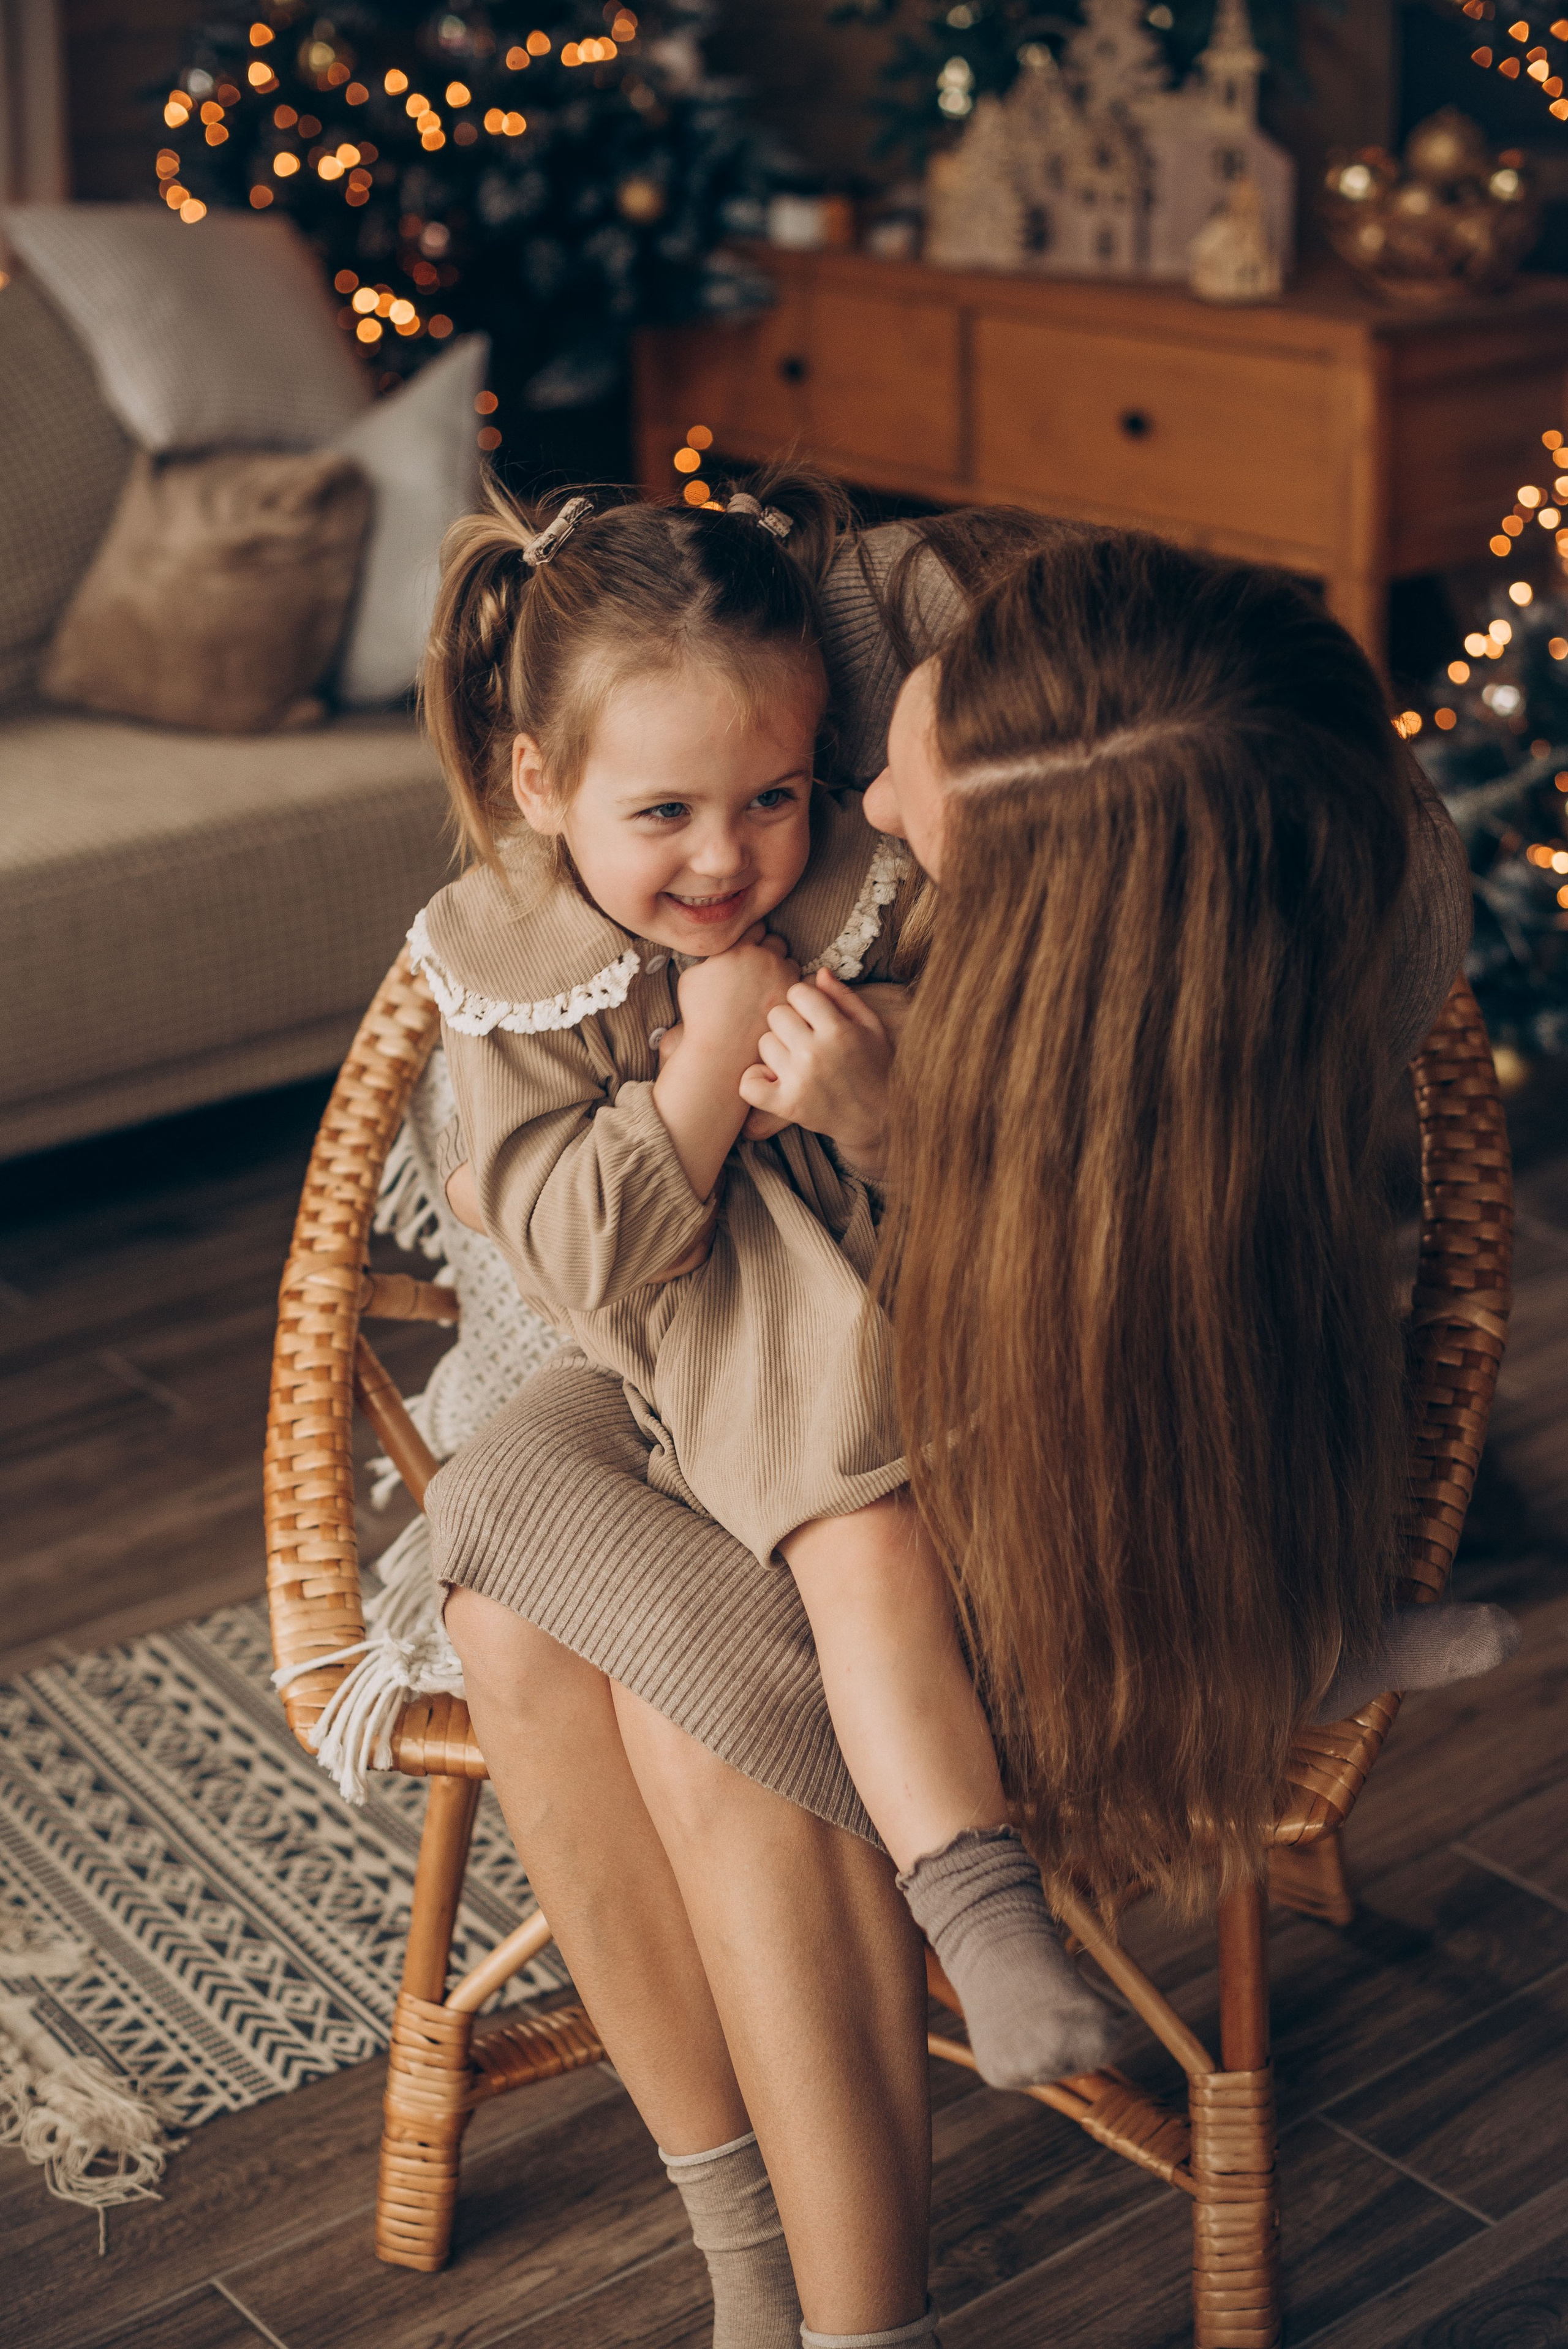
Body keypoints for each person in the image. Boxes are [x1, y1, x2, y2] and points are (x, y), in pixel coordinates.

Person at [431, 511, 1492, 2349]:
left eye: (825, 798)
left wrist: (911, 1122)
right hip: (741, 1370)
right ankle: (757, 2259)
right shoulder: (852, 644)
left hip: (1020, 1419)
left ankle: (845, 2317)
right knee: (516, 1579)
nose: (866, 829)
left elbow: (1142, 1287)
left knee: (662, 1686)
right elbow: (581, 1145)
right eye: (897, 762)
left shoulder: (1295, 916)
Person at [411, 470, 1118, 2111]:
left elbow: (1017, 1107)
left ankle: (1280, 1616)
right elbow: (578, 1253)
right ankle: (984, 1905)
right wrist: (710, 1063)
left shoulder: (865, 886)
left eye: (776, 795)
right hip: (733, 1358)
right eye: (664, 814)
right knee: (861, 1534)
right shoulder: (512, 962)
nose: (728, 857)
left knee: (1098, 1407)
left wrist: (878, 1074)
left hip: (946, 1302)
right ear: (541, 781)